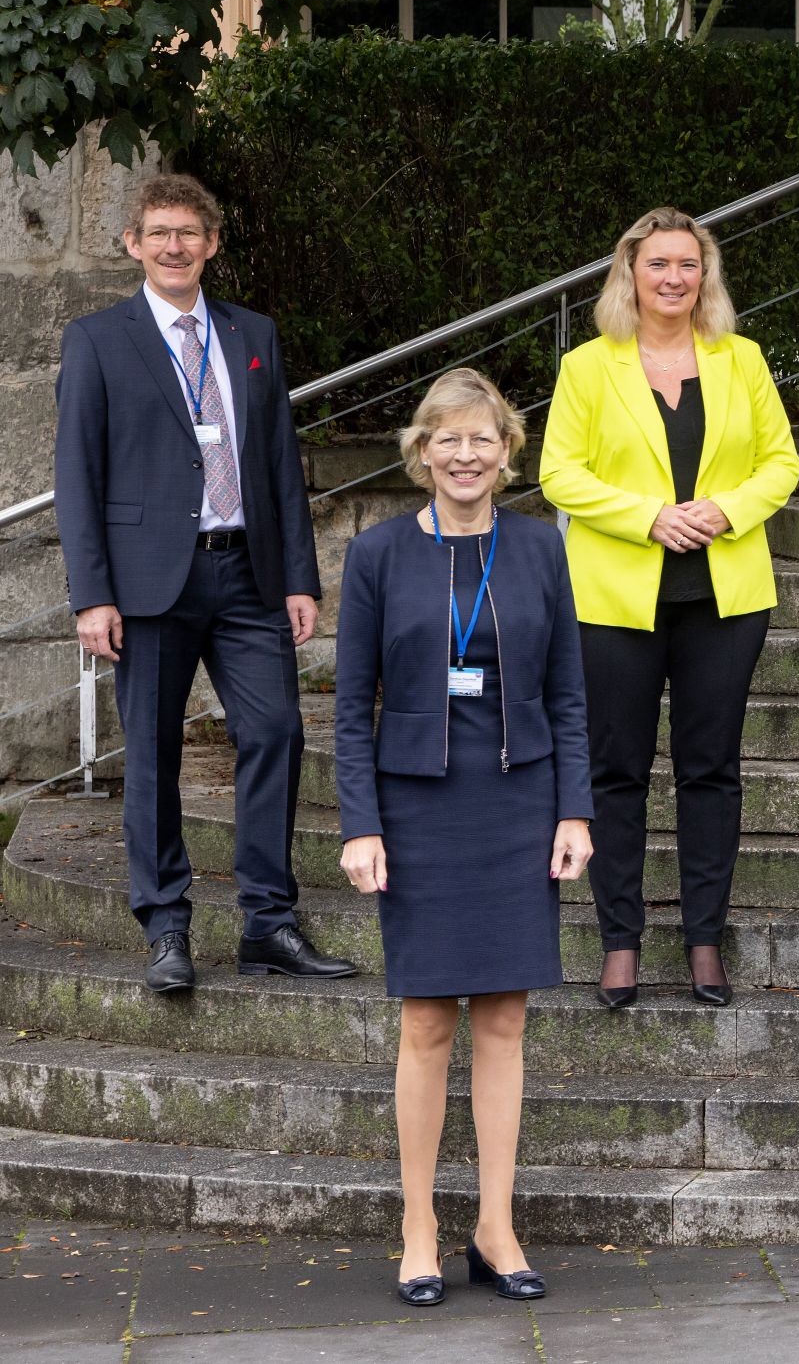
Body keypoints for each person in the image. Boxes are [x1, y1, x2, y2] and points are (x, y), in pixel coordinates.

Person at [53, 172, 353, 994]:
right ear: (133, 244)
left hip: (248, 574)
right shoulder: (98, 338)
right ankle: (166, 927)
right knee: (151, 755)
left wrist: (300, 576)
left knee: (277, 734)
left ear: (212, 243)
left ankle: (268, 922)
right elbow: (76, 476)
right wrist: (91, 594)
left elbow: (278, 464)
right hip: (149, 586)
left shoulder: (253, 332)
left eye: (189, 231)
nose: (174, 245)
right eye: (158, 232)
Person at [332, 369, 592, 1307]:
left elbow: (568, 692)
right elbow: (349, 707)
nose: (467, 454)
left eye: (483, 439)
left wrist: (574, 809)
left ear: (508, 450)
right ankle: (417, 1225)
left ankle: (495, 1222)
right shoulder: (377, 556)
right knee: (426, 1019)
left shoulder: (537, 549)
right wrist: (359, 821)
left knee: (507, 1018)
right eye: (449, 439)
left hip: (518, 800)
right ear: (422, 451)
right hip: (416, 807)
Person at [539, 208, 799, 1009]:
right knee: (615, 771)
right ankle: (620, 941)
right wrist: (648, 515)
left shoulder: (742, 359)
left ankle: (703, 940)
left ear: (705, 275)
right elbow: (559, 473)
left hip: (723, 596)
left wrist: (722, 510)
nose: (674, 278)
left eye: (689, 264)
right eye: (659, 264)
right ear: (631, 272)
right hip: (615, 597)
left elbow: (782, 461)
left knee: (711, 770)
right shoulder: (588, 366)